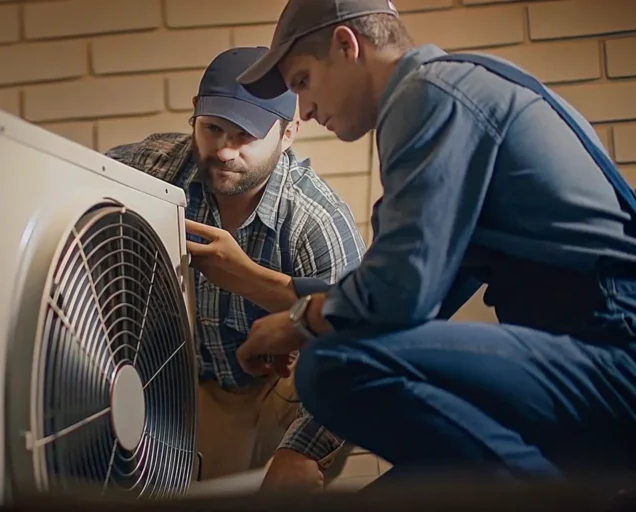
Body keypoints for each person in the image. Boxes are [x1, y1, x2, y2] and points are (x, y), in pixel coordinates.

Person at [233, 0, 636, 489]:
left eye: (302, 82)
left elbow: (401, 296)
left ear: (346, 45)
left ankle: (554, 497)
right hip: (584, 354)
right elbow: (414, 297)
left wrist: (300, 323)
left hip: (611, 353)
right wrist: (292, 302)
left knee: (333, 367)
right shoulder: (460, 85)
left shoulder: (428, 96)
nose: (306, 110)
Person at [105, 46, 366, 490]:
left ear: (288, 134)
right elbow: (75, 185)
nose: (225, 151)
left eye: (246, 135)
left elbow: (359, 355)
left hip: (290, 387)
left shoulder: (315, 221)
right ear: (194, 115)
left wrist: (300, 450)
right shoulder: (154, 168)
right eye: (213, 129)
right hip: (196, 382)